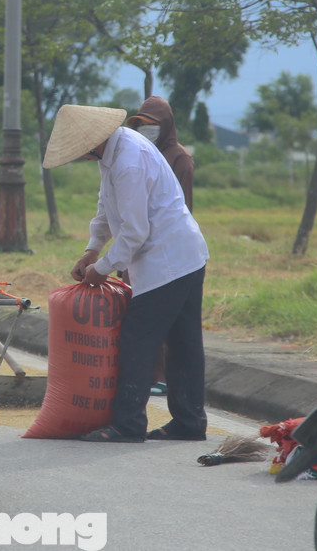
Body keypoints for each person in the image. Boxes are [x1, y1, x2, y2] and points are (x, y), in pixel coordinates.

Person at [43, 103, 210, 443]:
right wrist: (92, 248)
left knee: (137, 337)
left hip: (168, 261)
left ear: (92, 143)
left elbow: (135, 232)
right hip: (184, 255)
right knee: (183, 342)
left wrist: (101, 269)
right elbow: (107, 208)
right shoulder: (116, 152)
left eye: (81, 152)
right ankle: (189, 423)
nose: (83, 158)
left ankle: (128, 424)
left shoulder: (128, 161)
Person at [125, 96, 194, 396]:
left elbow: (182, 210)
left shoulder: (179, 159)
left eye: (152, 125)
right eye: (141, 125)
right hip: (137, 247)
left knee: (161, 319)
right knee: (139, 315)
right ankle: (147, 375)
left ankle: (160, 377)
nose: (146, 130)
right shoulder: (139, 155)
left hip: (165, 250)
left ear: (164, 126)